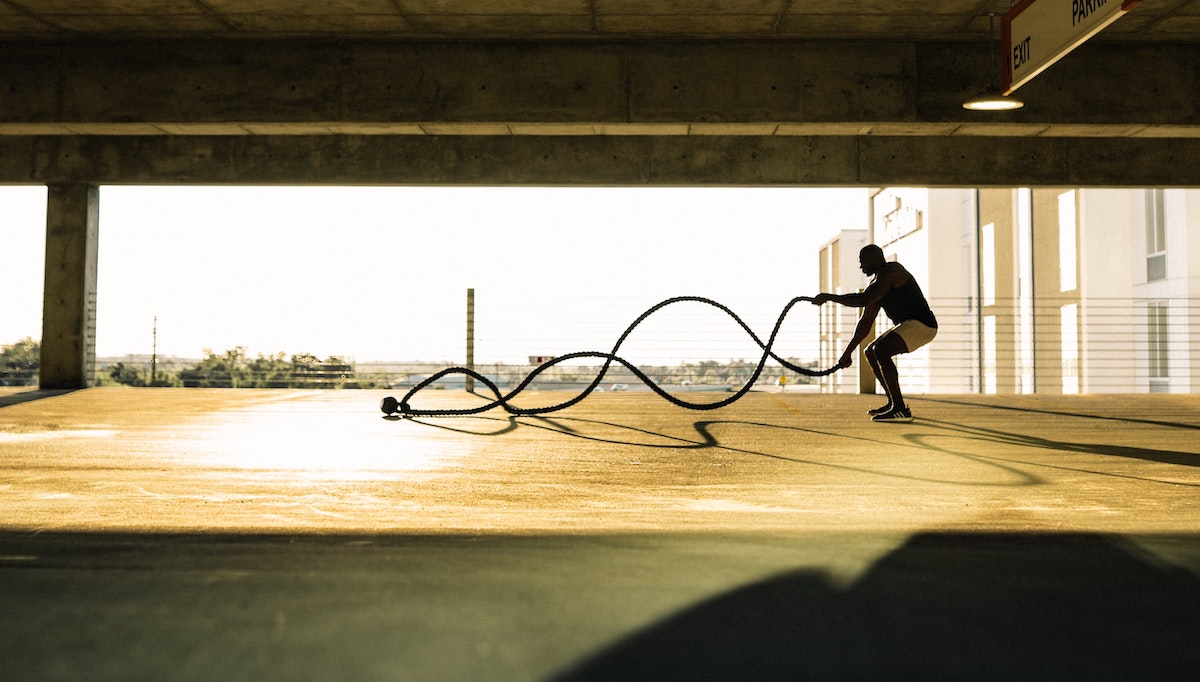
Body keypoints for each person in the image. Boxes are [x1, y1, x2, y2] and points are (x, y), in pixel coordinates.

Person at [810, 244, 937, 423]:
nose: (861, 267)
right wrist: (847, 353)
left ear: (873, 259)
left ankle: (899, 409)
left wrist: (830, 297)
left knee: (881, 350)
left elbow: (863, 299)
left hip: (923, 325)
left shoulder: (892, 272)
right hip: (910, 325)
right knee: (871, 351)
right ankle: (894, 403)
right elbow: (865, 322)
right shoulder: (877, 284)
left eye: (863, 262)